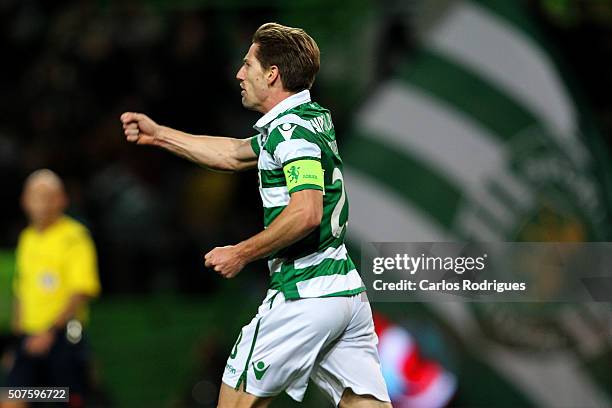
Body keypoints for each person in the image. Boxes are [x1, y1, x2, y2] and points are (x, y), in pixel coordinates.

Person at [121, 22, 392, 408]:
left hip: (304, 292)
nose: (239, 73)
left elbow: (307, 211)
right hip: (343, 291)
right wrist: (160, 134)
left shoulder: (292, 134)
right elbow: (232, 154)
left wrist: (241, 252)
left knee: (234, 401)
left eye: (248, 64)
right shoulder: (308, 118)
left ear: (272, 74)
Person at [2, 169, 101, 408]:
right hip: (29, 340)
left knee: (59, 398)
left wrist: (48, 333)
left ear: (62, 200)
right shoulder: (27, 238)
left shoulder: (74, 237)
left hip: (61, 339)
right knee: (11, 399)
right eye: (35, 196)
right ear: (24, 201)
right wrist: (17, 344)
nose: (41, 203)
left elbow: (81, 290)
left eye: (48, 196)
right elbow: (21, 287)